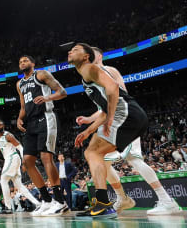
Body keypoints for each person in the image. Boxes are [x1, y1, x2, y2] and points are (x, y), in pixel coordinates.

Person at [77, 46, 180, 215]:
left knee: (134, 160)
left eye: (91, 53)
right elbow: (104, 107)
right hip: (111, 121)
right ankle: (122, 198)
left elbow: (120, 99)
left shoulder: (109, 70)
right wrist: (90, 119)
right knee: (101, 161)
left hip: (123, 120)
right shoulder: (90, 76)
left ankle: (166, 200)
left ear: (99, 55)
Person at [68, 43, 150, 218]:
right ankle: (103, 202)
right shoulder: (85, 74)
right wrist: (88, 130)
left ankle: (104, 203)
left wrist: (111, 117)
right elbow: (105, 109)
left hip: (126, 113)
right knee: (92, 153)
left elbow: (113, 88)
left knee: (93, 153)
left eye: (75, 50)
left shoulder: (89, 68)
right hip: (129, 114)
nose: (70, 51)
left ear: (85, 56)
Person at [15, 55, 69, 216]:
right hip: (30, 123)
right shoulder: (19, 84)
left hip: (45, 118)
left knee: (46, 158)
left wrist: (47, 97)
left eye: (25, 60)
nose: (22, 63)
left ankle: (60, 201)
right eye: (20, 62)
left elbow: (62, 92)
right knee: (27, 161)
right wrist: (19, 118)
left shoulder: (41, 75)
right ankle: (46, 200)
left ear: (33, 63)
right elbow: (23, 106)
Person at [0, 119, 41, 214]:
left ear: (3, 126)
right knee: (19, 185)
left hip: (13, 157)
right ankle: (37, 203)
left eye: (0, 125)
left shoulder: (8, 136)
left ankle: (8, 207)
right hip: (9, 159)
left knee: (3, 180)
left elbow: (20, 147)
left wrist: (24, 162)